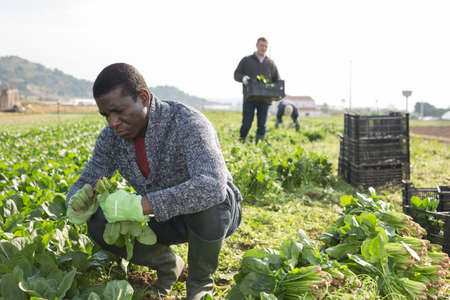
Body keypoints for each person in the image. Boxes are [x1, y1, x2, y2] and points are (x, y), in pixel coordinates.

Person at [65, 63, 242, 300]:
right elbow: (90, 177)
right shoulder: (111, 138)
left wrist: (142, 206)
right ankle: (169, 265)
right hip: (161, 218)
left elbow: (213, 186)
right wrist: (76, 199)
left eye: (119, 111)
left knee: (210, 201)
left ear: (144, 98)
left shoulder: (188, 122)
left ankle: (200, 284)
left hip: (213, 217)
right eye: (106, 115)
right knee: (97, 221)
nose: (112, 122)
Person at [234, 37, 281, 143]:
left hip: (265, 99)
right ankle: (241, 141)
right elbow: (236, 74)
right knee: (247, 122)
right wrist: (243, 78)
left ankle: (259, 145)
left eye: (265, 46)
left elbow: (277, 80)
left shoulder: (270, 63)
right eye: (261, 45)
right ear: (257, 45)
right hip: (249, 97)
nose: (263, 48)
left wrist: (277, 91)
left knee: (262, 124)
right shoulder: (246, 60)